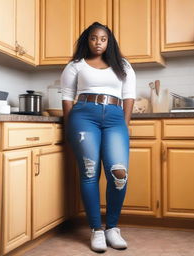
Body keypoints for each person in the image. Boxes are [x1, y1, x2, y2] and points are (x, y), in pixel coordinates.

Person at [60, 22, 136, 252]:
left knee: (119, 173)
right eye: (94, 38)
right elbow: (66, 97)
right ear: (88, 40)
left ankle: (112, 227)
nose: (98, 42)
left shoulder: (123, 65)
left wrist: (124, 124)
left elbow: (129, 96)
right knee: (90, 171)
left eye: (103, 39)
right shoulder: (76, 65)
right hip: (83, 117)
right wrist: (69, 126)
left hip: (114, 118)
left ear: (109, 41)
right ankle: (96, 230)